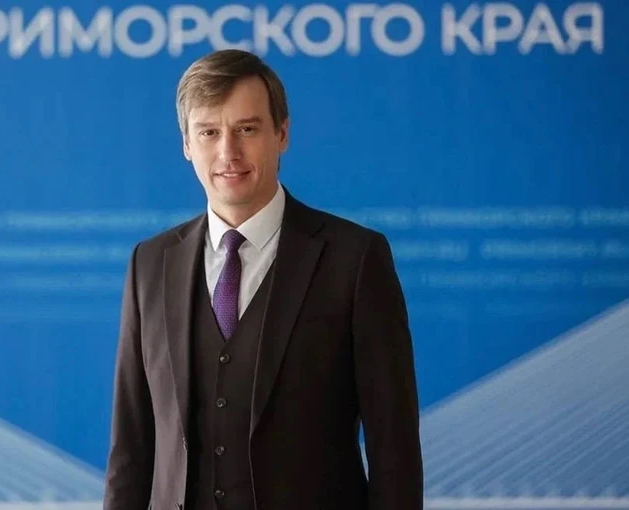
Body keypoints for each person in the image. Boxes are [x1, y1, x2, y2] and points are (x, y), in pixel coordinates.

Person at [103, 49, 423, 510]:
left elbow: (395, 451)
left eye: (247, 129)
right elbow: (131, 449)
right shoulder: (149, 264)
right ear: (187, 144)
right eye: (209, 132)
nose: (227, 152)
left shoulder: (355, 259)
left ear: (282, 134)